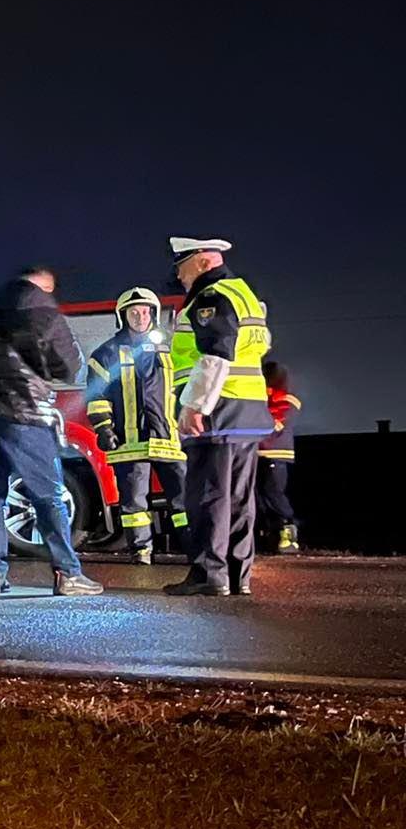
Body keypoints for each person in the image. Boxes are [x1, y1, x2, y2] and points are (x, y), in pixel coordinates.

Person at [0, 266, 103, 598]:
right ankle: (68, 573)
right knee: (48, 493)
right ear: (42, 283)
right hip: (22, 408)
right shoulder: (39, 305)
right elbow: (69, 366)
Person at [163, 237, 273, 596]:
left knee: (208, 496)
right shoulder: (245, 293)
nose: (179, 275)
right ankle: (238, 574)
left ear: (201, 262)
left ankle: (209, 574)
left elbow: (215, 355)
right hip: (248, 411)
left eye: (181, 265)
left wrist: (195, 406)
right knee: (240, 498)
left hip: (219, 412)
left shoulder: (210, 297)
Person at [85, 286, 188, 564]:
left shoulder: (171, 349)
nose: (140, 317)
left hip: (170, 438)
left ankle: (192, 548)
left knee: (183, 500)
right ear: (123, 316)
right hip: (128, 441)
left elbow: (185, 387)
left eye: (145, 311)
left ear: (153, 314)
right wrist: (104, 428)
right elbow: (96, 397)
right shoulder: (104, 354)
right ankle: (141, 551)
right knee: (134, 505)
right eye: (134, 312)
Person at [258, 359, 301, 552]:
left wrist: (268, 421)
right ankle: (271, 535)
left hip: (275, 450)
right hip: (256, 450)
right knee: (260, 496)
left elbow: (283, 414)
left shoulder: (281, 387)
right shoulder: (263, 385)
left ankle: (288, 530)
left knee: (273, 492)